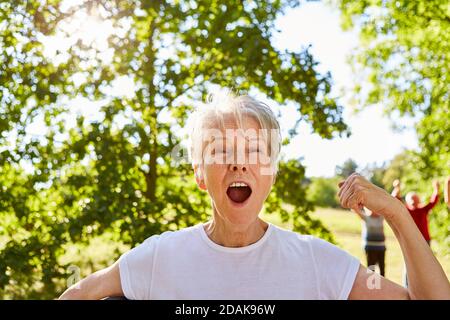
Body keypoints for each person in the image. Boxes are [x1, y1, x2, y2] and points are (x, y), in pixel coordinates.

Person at [59, 92, 450, 300]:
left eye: (253, 152)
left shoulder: (318, 262)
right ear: (200, 175)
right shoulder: (160, 257)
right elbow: (80, 292)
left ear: (271, 175)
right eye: (221, 151)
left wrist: (397, 213)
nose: (238, 164)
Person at [391, 179, 440, 246]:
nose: (413, 201)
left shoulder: (423, 209)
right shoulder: (406, 210)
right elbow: (395, 198)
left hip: (425, 239)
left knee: (425, 256)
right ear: (407, 201)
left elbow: (433, 201)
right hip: (412, 239)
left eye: (415, 199)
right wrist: (397, 187)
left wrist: (436, 188)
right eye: (411, 199)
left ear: (419, 200)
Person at [354, 208, 386, 277]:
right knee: (371, 268)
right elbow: (355, 209)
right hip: (370, 247)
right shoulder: (366, 217)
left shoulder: (381, 217)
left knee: (382, 268)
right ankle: (371, 286)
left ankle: (382, 286)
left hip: (381, 247)